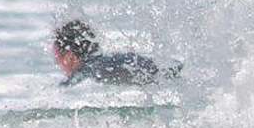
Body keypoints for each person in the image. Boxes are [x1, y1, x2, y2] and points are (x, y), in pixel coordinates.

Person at [51, 20, 181, 86]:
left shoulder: (87, 72)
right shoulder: (110, 59)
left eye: (57, 56)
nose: (56, 61)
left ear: (70, 55)